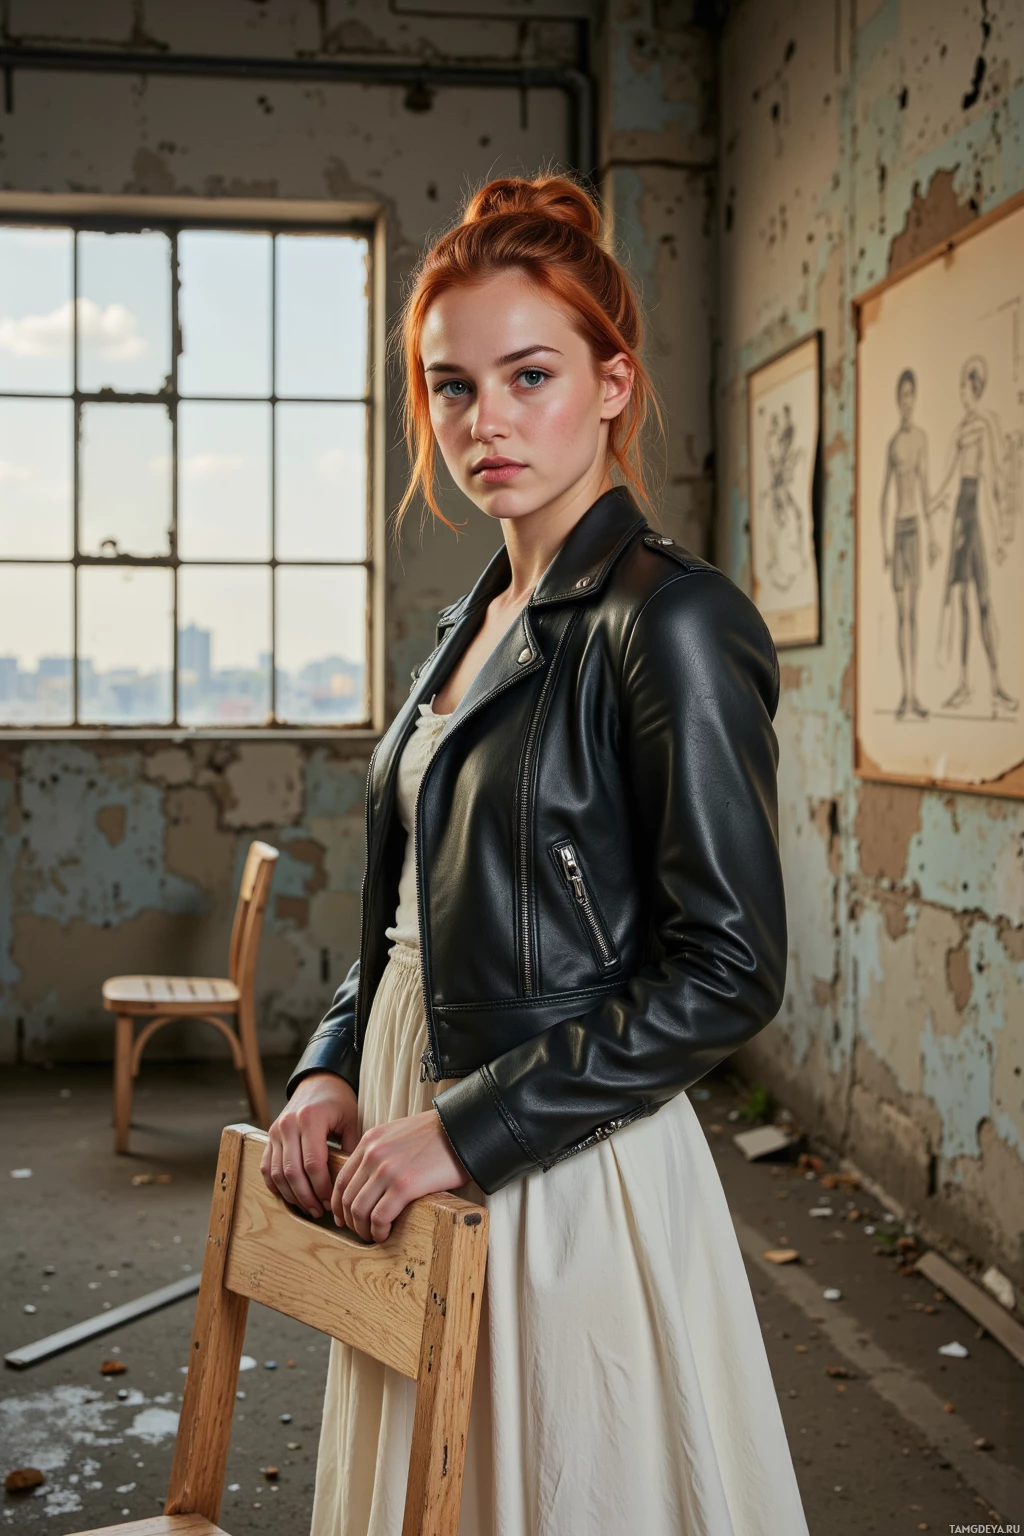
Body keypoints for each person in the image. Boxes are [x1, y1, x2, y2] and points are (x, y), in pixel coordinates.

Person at [262, 173, 809, 1536]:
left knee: (556, 1484)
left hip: (553, 1153)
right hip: (407, 1120)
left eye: (530, 375)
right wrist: (331, 1064)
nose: (485, 421)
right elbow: (417, 906)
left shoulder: (669, 620)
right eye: (451, 386)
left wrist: (467, 1127)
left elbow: (728, 971)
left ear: (612, 384)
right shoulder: (481, 616)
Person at [929, 354, 1017, 713]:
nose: (961, 392)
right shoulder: (962, 428)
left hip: (976, 510)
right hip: (960, 515)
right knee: (963, 602)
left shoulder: (983, 426)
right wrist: (933, 501)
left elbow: (993, 475)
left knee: (982, 600)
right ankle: (965, 682)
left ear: (974, 387)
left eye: (965, 386)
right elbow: (950, 472)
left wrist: (999, 533)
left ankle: (995, 682)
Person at [878, 368, 938, 720]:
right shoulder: (893, 445)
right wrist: (885, 546)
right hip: (898, 532)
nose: (907, 401)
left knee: (913, 614)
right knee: (901, 615)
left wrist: (933, 537)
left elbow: (926, 490)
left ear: (914, 398)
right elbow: (884, 497)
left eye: (910, 395)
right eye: (903, 395)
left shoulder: (920, 440)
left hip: (914, 529)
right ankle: (906, 693)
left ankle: (914, 693)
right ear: (898, 399)